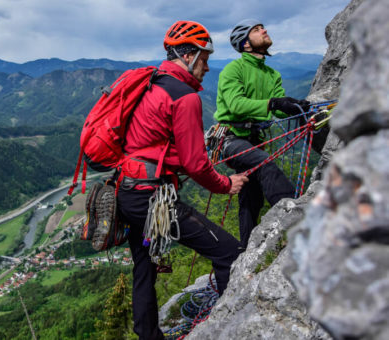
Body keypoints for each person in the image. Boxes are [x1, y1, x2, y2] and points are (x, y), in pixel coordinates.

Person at [116, 20, 248, 340]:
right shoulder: (185, 96)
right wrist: (226, 184)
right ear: (188, 56)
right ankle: (230, 330)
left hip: (127, 192)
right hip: (152, 200)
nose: (206, 66)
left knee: (144, 269)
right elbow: (196, 163)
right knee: (230, 253)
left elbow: (151, 145)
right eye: (204, 58)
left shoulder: (152, 84)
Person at [214, 19, 309, 250]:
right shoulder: (233, 70)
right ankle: (295, 217)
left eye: (262, 27)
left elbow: (276, 106)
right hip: (230, 140)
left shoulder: (272, 74)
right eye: (256, 30)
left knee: (251, 197)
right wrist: (273, 102)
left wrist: (294, 106)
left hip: (254, 141)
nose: (264, 30)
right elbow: (236, 105)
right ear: (245, 43)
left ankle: (245, 250)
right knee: (265, 163)